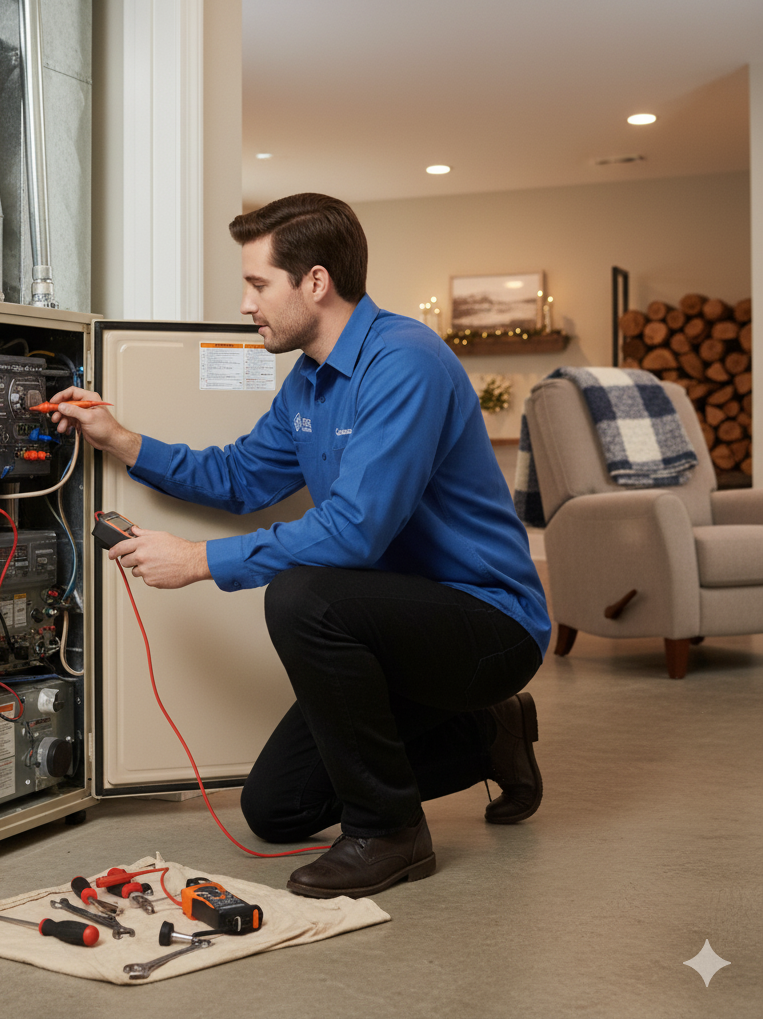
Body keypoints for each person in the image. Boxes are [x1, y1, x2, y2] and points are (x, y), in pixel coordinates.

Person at [50, 193, 551, 899]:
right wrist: (122, 440)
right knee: (275, 810)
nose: (248, 302)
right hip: (394, 626)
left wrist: (198, 561)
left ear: (314, 282)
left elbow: (356, 529)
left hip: (488, 621)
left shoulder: (405, 362)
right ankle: (489, 736)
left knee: (304, 597)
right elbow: (238, 475)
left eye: (258, 284)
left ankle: (389, 832)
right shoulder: (309, 382)